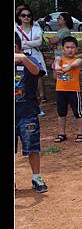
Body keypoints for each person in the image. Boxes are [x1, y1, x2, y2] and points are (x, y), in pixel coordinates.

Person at [15, 33, 48, 193]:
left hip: (27, 112)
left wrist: (22, 58)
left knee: (33, 146)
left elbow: (36, 72)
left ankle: (36, 177)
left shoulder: (30, 59)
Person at [52, 36, 82, 143]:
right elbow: (56, 62)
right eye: (67, 47)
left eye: (72, 47)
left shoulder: (78, 60)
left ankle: (80, 133)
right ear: (63, 49)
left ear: (76, 49)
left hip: (74, 91)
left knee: (78, 113)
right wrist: (57, 67)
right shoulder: (59, 59)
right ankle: (62, 133)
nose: (70, 50)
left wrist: (65, 69)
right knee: (61, 113)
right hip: (60, 90)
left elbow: (75, 65)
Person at [15, 5, 48, 104]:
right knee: (21, 75)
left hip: (35, 54)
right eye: (23, 15)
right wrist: (31, 43)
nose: (26, 17)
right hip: (20, 55)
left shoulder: (36, 28)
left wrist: (23, 43)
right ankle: (23, 94)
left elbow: (39, 42)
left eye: (28, 15)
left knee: (38, 74)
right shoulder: (16, 29)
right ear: (19, 17)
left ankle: (42, 95)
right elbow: (17, 43)